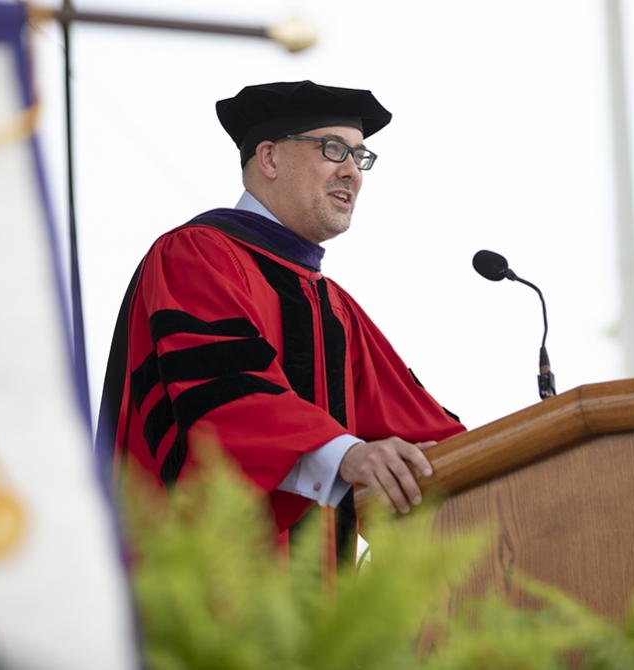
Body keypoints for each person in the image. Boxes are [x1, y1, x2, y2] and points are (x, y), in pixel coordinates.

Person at [96, 81, 465, 564]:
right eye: (334, 149)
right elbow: (225, 393)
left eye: (360, 156)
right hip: (201, 593)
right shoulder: (195, 254)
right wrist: (346, 455)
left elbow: (420, 427)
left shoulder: (335, 307)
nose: (352, 171)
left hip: (324, 618)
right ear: (269, 159)